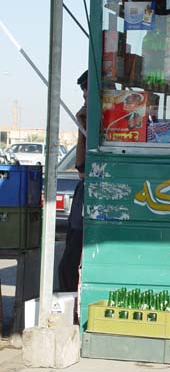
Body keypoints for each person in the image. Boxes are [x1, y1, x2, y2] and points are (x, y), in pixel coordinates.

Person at [58, 71, 87, 292]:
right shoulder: (87, 115)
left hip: (90, 194)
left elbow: (83, 166)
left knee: (69, 265)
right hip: (83, 194)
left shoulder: (95, 116)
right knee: (68, 265)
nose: (85, 98)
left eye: (86, 92)